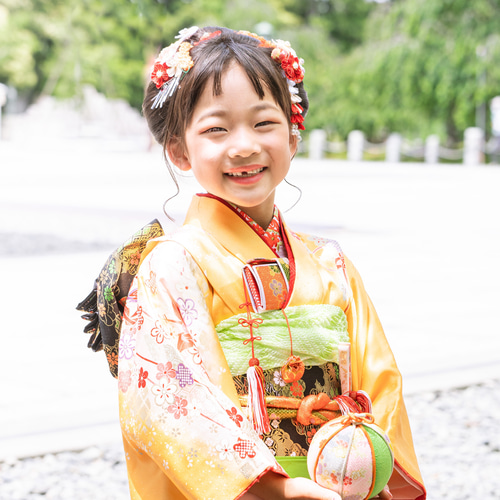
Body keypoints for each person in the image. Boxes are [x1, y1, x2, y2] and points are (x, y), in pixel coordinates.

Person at [78, 26, 426, 500]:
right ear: (179, 150)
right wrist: (275, 487)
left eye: (264, 123)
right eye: (216, 129)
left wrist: (372, 464)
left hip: (338, 481)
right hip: (251, 488)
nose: (244, 146)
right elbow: (171, 405)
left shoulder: (331, 263)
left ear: (293, 133)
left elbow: (380, 380)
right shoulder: (174, 267)